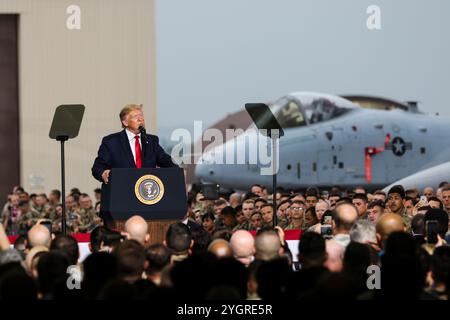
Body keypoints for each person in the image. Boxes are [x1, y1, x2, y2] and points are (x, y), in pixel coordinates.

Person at [92, 104, 177, 184]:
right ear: (125, 122)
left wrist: (179, 169)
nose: (141, 119)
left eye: (141, 116)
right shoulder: (111, 141)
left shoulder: (151, 141)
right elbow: (98, 167)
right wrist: (103, 173)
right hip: (121, 190)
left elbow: (166, 161)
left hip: (146, 191)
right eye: (136, 117)